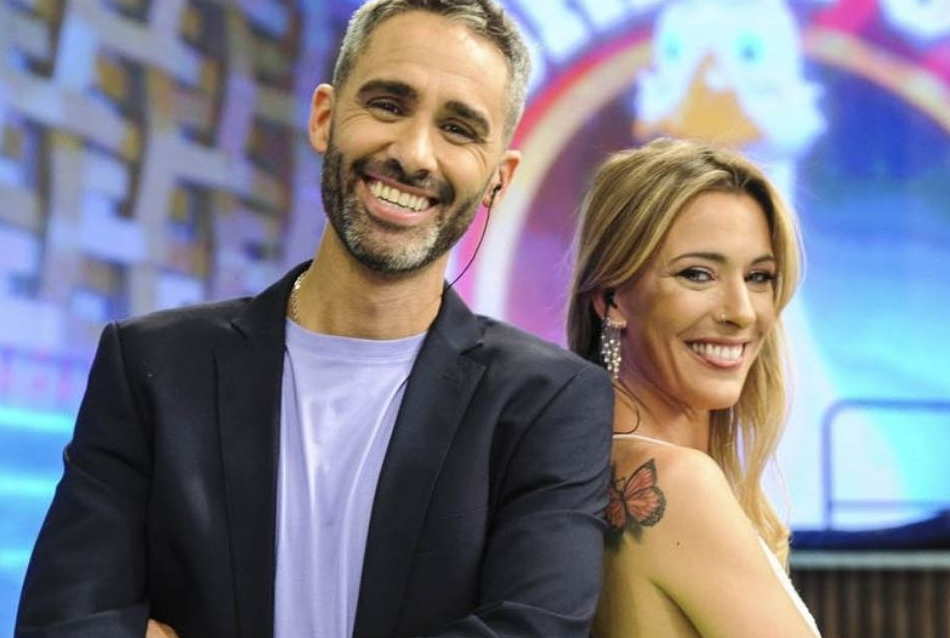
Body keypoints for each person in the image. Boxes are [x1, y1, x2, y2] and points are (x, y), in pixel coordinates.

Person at [15, 2, 613, 637]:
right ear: (325, 117)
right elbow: (65, 623)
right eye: (388, 105)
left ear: (499, 177)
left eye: (458, 129)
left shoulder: (551, 403)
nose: (414, 154)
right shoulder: (150, 365)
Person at [567, 137, 821, 638]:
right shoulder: (680, 482)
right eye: (698, 274)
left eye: (759, 277)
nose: (741, 312)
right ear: (611, 297)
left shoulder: (583, 460)